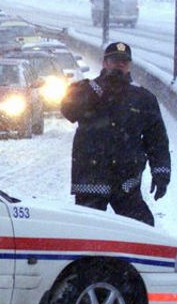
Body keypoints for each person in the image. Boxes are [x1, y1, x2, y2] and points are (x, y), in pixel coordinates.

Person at [60, 41, 170, 226]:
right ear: (105, 63)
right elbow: (69, 111)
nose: (120, 64)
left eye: (124, 62)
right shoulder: (87, 89)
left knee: (143, 231)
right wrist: (98, 88)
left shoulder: (142, 98)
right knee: (88, 235)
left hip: (126, 181)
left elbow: (157, 139)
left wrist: (161, 173)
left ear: (130, 65)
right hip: (90, 179)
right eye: (114, 60)